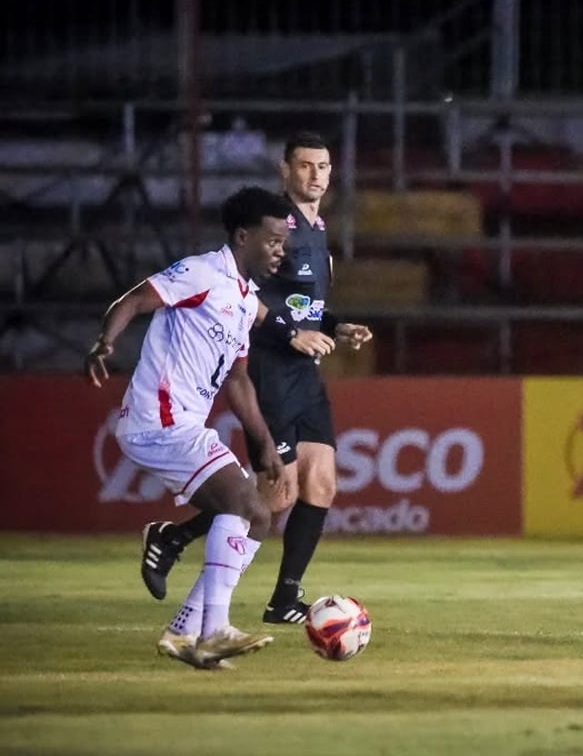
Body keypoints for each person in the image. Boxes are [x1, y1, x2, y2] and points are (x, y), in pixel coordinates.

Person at [139, 132, 373, 624]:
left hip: (303, 370)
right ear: (285, 171)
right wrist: (291, 335)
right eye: (305, 166)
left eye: (324, 166)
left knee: (322, 484)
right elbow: (247, 293)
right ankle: (179, 555)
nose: (316, 175)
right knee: (273, 496)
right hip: (267, 369)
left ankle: (284, 598)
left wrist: (334, 324)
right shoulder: (276, 224)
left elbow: (302, 303)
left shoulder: (317, 226)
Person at [85, 186, 292, 669]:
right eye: (273, 239)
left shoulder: (243, 300)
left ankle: (183, 634)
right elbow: (136, 299)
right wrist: (104, 342)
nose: (280, 249)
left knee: (258, 516)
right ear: (244, 237)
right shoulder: (203, 272)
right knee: (242, 503)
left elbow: (238, 379)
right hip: (158, 420)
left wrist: (263, 443)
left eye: (284, 241)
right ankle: (214, 630)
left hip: (180, 424)